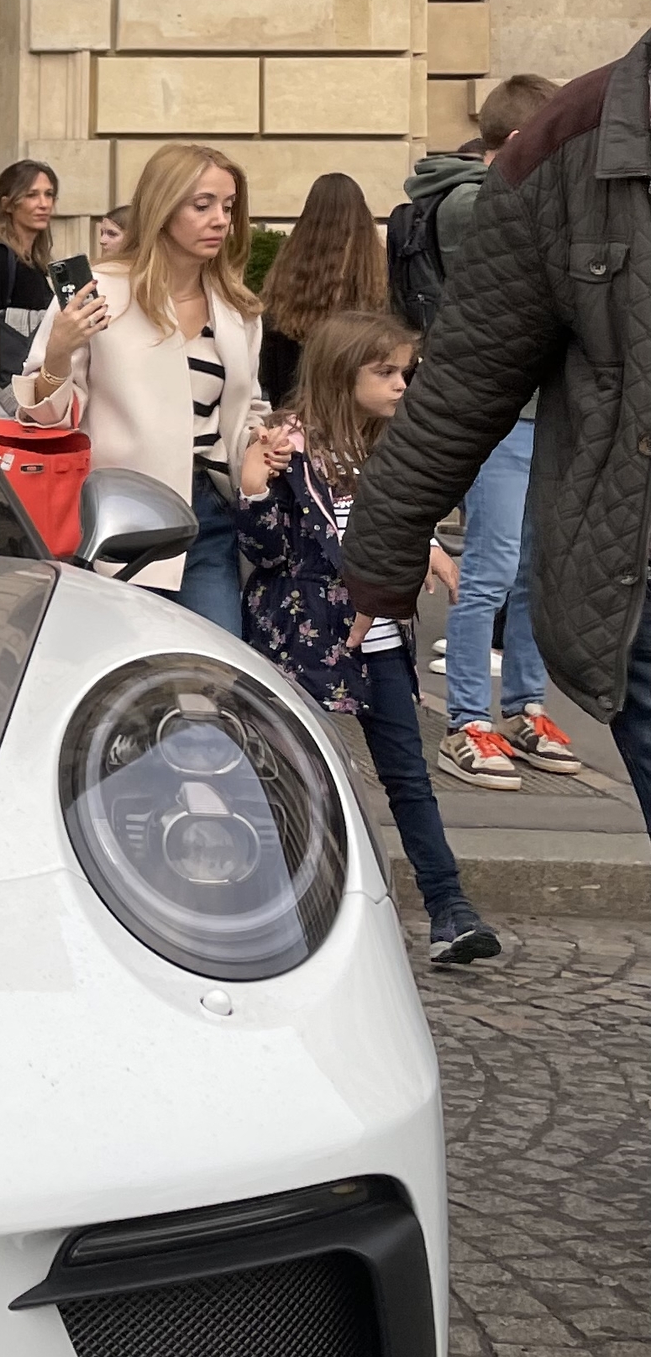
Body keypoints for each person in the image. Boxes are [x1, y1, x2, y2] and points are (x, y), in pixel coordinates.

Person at [241, 310, 498, 968]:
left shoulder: (392, 445)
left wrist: (432, 544)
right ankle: (299, 909)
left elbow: (398, 519)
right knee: (299, 775)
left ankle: (449, 908)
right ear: (340, 372)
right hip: (304, 639)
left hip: (380, 638)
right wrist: (253, 484)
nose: (402, 384)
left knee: (408, 776)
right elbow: (266, 549)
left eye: (405, 371)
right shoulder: (290, 446)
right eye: (385, 371)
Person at [391, 76, 578, 790]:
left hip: (534, 412)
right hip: (504, 415)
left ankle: (525, 704)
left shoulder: (484, 193)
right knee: (492, 571)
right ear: (528, 142)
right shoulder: (475, 201)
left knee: (532, 568)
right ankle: (468, 716)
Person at [11, 140, 266, 630]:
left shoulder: (236, 310)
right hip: (120, 517)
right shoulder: (102, 293)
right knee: (122, 665)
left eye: (229, 207)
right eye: (202, 205)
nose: (220, 220)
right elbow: (42, 418)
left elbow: (244, 409)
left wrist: (262, 441)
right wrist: (60, 349)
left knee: (211, 673)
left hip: (209, 513)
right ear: (163, 208)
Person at [255, 171, 388, 410]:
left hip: (293, 404)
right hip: (354, 406)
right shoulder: (372, 268)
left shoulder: (290, 263)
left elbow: (272, 345)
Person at [0, 159, 58, 343]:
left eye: (49, 194)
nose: (44, 204)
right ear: (7, 205)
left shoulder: (34, 263)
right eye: (32, 195)